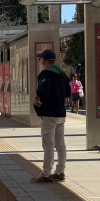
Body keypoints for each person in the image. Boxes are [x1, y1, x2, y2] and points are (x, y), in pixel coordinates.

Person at [32, 49, 71, 183]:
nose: (40, 61)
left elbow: (43, 90)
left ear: (43, 60)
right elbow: (68, 92)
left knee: (48, 145)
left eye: (40, 59)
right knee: (60, 145)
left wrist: (37, 98)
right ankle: (60, 171)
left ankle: (46, 173)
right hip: (61, 113)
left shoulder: (46, 74)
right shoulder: (62, 74)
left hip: (49, 113)